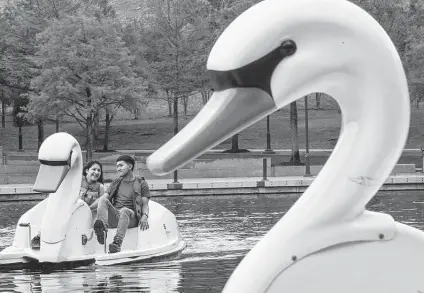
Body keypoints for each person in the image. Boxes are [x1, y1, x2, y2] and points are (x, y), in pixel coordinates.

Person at [93, 155, 150, 253]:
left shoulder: (141, 183)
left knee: (124, 210)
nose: (118, 169)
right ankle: (102, 231)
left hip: (131, 218)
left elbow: (145, 204)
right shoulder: (116, 182)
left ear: (130, 166)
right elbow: (103, 198)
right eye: (117, 166)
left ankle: (117, 243)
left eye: (120, 166)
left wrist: (145, 216)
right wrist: (88, 207)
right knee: (103, 200)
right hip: (116, 215)